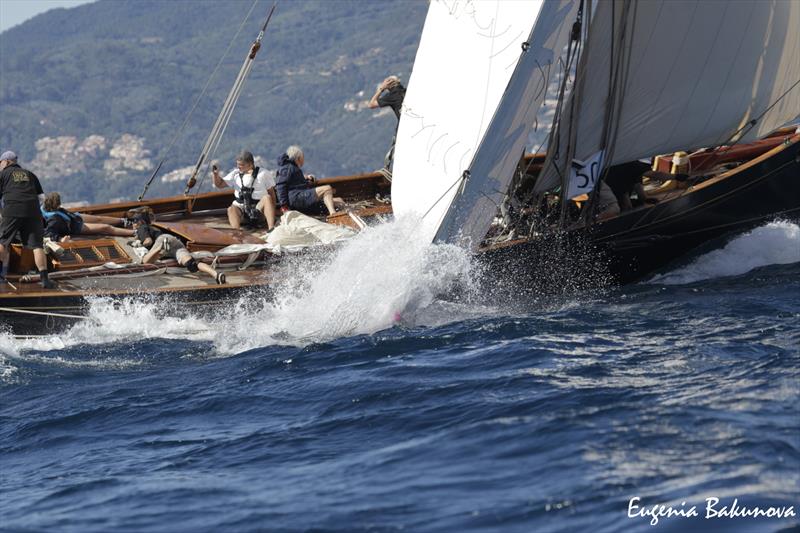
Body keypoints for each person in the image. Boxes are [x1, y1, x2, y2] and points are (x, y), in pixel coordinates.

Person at [0, 151, 55, 288]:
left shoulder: (3, 174)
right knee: (37, 245)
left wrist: (3, 214)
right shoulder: (30, 174)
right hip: (33, 211)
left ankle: (0, 276)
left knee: (3, 242)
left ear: (6, 162)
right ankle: (44, 279)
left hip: (12, 209)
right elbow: (42, 198)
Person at [132, 213, 226, 284]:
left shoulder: (142, 228)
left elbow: (148, 241)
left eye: (134, 221)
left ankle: (161, 248)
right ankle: (216, 274)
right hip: (175, 242)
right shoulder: (155, 228)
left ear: (141, 222)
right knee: (192, 264)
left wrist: (140, 244)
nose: (132, 223)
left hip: (162, 241)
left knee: (145, 261)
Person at [212, 150, 277, 231]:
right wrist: (215, 175)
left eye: (241, 165)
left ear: (250, 164)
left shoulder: (264, 174)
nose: (238, 167)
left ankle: (271, 228)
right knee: (231, 209)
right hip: (242, 211)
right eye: (237, 164)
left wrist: (273, 213)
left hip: (258, 211)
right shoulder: (235, 174)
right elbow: (220, 184)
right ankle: (237, 232)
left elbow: (272, 194)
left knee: (267, 198)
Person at [275, 145, 344, 216]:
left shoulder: (293, 168)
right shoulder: (287, 168)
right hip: (296, 199)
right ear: (298, 158)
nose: (303, 160)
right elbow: (280, 186)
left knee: (339, 201)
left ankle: (346, 217)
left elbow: (297, 184)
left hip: (301, 196)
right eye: (303, 157)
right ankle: (333, 215)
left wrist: (307, 180)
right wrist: (284, 207)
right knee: (327, 189)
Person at [41, 192, 134, 242]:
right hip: (75, 227)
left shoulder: (44, 207)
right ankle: (134, 232)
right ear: (54, 206)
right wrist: (61, 239)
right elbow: (49, 234)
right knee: (105, 228)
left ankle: (123, 221)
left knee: (99, 219)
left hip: (73, 217)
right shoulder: (53, 220)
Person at [368, 75, 406, 171]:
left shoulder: (392, 95)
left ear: (389, 84)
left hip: (403, 129)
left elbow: (371, 104)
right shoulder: (406, 91)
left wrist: (381, 89)